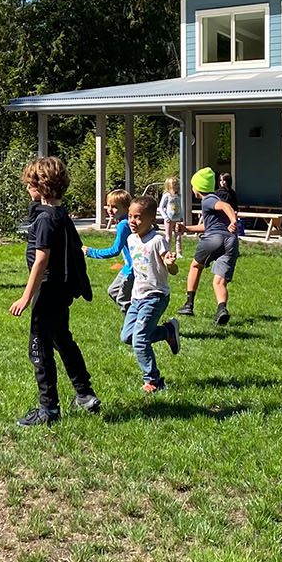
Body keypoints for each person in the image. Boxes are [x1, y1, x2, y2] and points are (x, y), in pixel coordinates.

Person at [9, 156, 98, 427]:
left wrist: (26, 296)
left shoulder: (46, 219)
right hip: (61, 290)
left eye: (30, 185)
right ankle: (85, 394)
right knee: (62, 339)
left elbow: (41, 258)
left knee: (39, 347)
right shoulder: (61, 215)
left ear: (42, 186)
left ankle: (48, 409)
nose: (27, 189)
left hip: (47, 290)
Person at [119, 198, 181, 393]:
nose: (132, 221)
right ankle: (167, 332)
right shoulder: (131, 239)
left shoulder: (158, 240)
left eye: (138, 217)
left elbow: (173, 270)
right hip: (137, 297)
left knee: (140, 340)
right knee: (127, 336)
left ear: (151, 218)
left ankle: (153, 380)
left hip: (156, 296)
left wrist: (170, 264)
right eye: (130, 216)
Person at [176, 168, 239, 326]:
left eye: (193, 186)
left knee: (196, 266)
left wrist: (233, 221)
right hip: (230, 241)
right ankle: (222, 309)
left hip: (214, 239)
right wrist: (187, 229)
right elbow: (209, 226)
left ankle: (189, 304)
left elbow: (226, 206)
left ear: (197, 187)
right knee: (219, 281)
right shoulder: (212, 200)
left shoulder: (208, 199)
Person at [84, 189, 135, 310]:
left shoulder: (123, 224)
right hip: (128, 267)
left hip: (133, 268)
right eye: (109, 206)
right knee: (113, 291)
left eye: (115, 207)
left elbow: (115, 250)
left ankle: (135, 324)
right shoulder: (123, 222)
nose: (110, 210)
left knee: (122, 299)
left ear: (127, 208)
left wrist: (90, 252)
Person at [156, 177, 181, 259]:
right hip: (169, 219)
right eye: (174, 185)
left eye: (177, 184)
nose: (176, 186)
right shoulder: (167, 195)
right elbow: (161, 207)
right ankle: (168, 251)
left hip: (177, 219)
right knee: (168, 237)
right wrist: (165, 217)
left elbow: (181, 207)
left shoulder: (178, 196)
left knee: (178, 236)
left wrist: (181, 216)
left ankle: (179, 252)